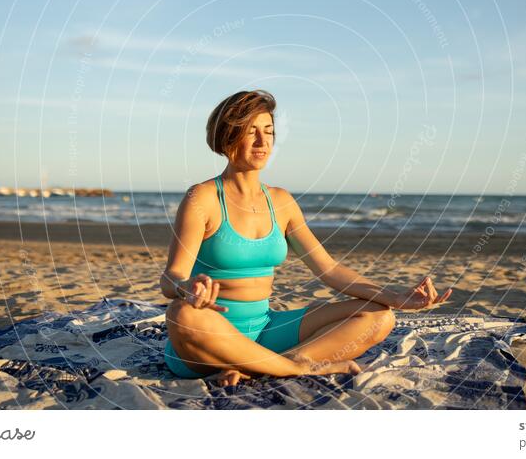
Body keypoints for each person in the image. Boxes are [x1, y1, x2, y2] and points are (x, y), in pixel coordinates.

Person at [161, 90, 453, 386]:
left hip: (264, 330)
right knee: (181, 313)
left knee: (379, 316)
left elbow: (329, 270)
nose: (263, 142)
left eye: (269, 132)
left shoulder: (281, 201)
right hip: (207, 338)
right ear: (227, 135)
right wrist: (186, 288)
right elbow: (170, 278)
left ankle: (283, 363)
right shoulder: (203, 198)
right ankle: (293, 367)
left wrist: (396, 297)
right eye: (251, 132)